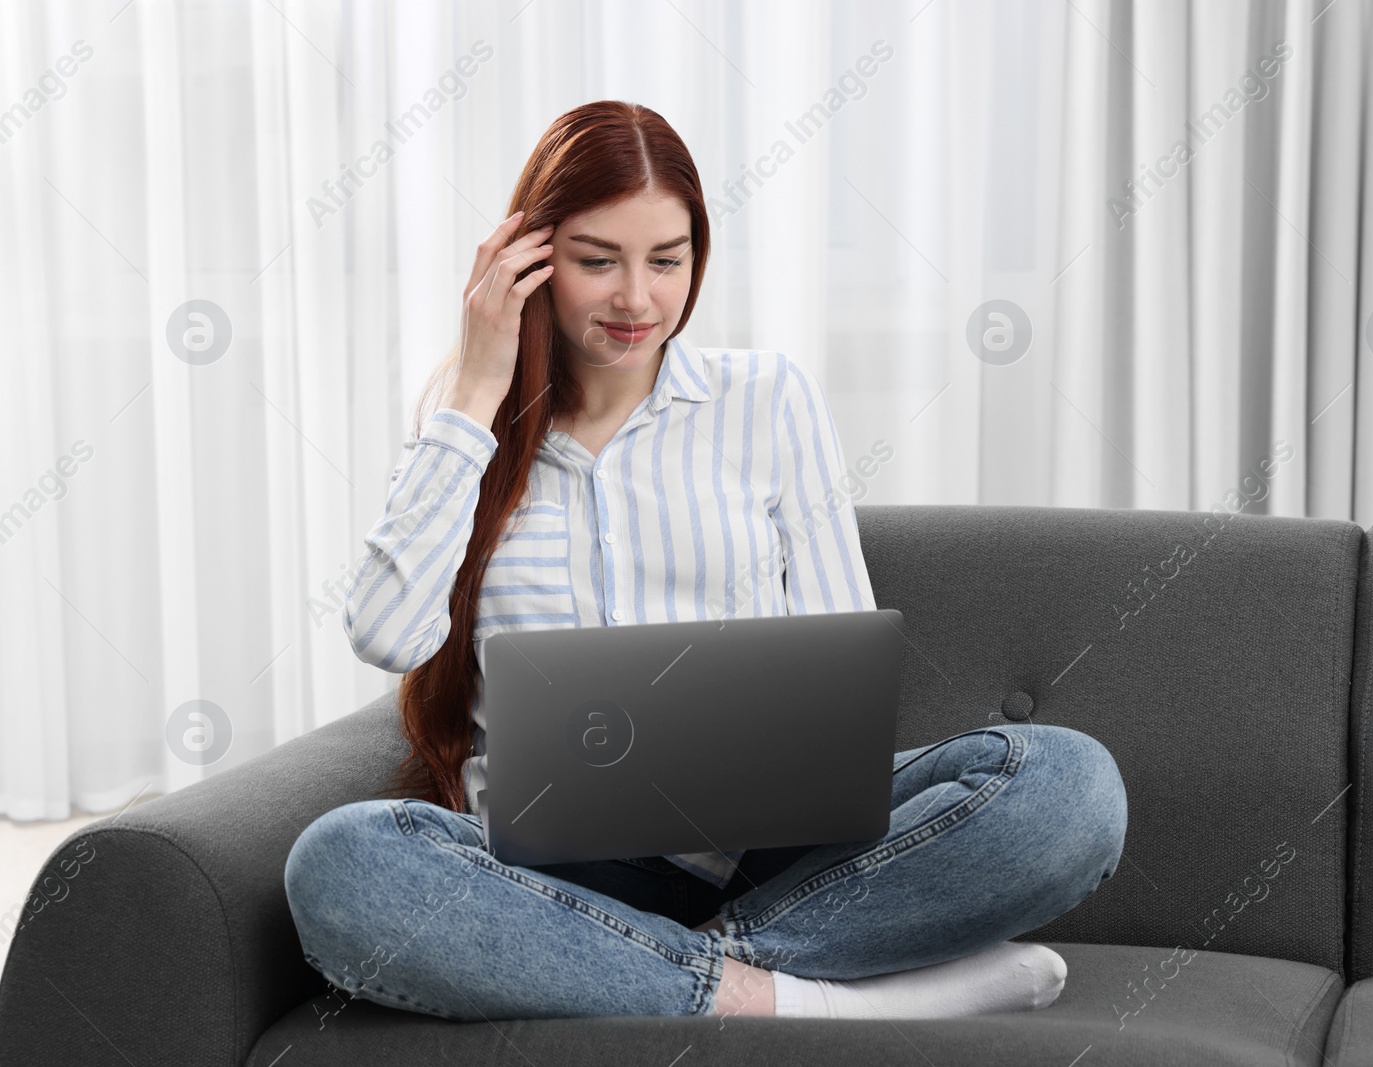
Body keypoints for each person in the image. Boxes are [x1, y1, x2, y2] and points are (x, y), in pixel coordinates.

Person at [284, 99, 1127, 1023]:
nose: (636, 299)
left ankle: (673, 976)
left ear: (699, 257)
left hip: (768, 851)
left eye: (667, 260)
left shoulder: (767, 399)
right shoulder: (468, 437)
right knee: (342, 861)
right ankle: (824, 1001)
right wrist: (479, 386)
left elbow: (835, 663)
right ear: (529, 261)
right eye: (596, 260)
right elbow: (386, 631)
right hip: (555, 871)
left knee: (1067, 785)